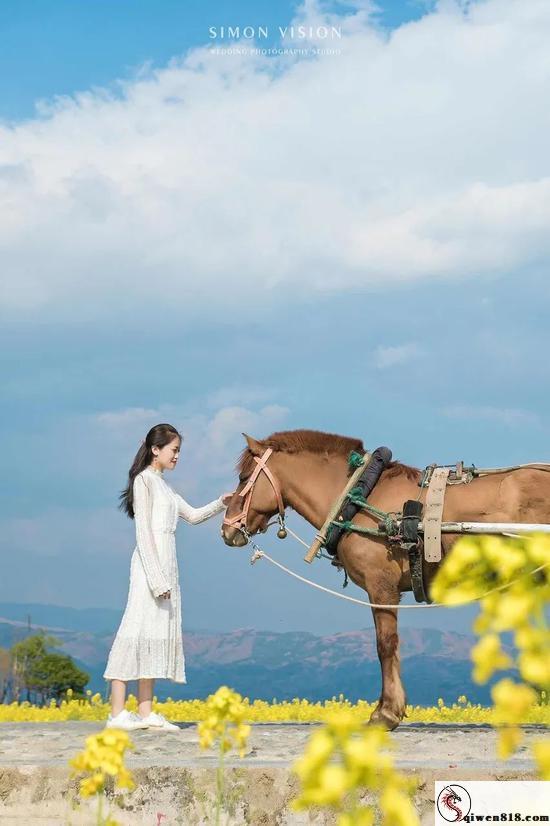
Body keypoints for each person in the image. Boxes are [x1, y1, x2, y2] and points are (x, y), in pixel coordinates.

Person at [103, 423, 233, 731]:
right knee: (134, 631)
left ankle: (146, 713)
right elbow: (143, 533)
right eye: (174, 450)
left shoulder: (164, 486)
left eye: (178, 451)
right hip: (150, 569)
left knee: (153, 634)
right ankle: (117, 713)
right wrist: (157, 579)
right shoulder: (143, 482)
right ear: (155, 449)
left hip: (167, 566)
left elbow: (194, 516)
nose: (177, 456)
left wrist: (222, 503)